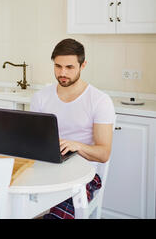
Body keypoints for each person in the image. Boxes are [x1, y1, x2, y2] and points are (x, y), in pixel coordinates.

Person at [30, 38, 115, 219]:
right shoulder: (40, 97)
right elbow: (34, 140)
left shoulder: (99, 101)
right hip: (47, 168)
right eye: (58, 66)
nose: (62, 73)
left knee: (59, 209)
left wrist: (77, 145)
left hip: (85, 175)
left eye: (69, 67)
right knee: (6, 191)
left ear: (83, 65)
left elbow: (103, 153)